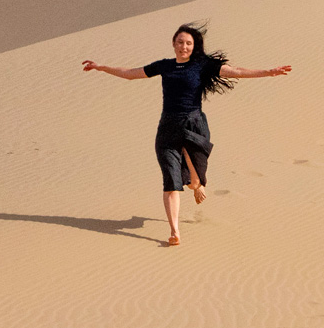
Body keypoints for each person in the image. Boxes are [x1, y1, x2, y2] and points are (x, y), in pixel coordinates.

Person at [83, 22, 291, 246]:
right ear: (173, 44)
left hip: (193, 124)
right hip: (167, 127)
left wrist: (267, 72)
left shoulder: (201, 65)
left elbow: (236, 72)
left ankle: (196, 183)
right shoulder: (165, 66)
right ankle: (174, 231)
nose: (184, 46)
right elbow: (131, 74)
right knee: (171, 180)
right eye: (180, 42)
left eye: (188, 43)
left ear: (194, 46)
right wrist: (102, 67)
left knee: (195, 179)